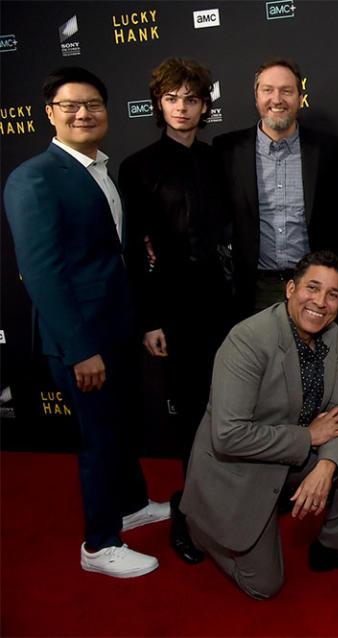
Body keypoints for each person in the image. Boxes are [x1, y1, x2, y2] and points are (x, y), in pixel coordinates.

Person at [3, 67, 169, 578]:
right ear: (50, 113)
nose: (83, 113)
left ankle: (131, 503)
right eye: (71, 105)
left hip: (114, 329)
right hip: (82, 342)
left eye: (93, 104)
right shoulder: (34, 177)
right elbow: (42, 273)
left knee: (120, 427)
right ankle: (98, 544)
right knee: (98, 438)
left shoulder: (100, 168)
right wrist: (80, 349)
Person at [180, 252, 338, 600]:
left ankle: (334, 546)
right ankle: (198, 527)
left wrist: (326, 465)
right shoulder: (247, 340)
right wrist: (309, 436)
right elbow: (228, 436)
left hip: (289, 455)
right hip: (240, 468)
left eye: (333, 295)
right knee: (263, 586)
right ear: (291, 289)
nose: (321, 303)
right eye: (312, 288)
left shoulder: (331, 335)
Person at [118, 57, 231, 565]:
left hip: (224, 303)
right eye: (172, 99)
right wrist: (150, 319)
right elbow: (132, 252)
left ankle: (229, 502)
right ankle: (188, 514)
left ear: (205, 105)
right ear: (158, 103)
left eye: (191, 99)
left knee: (228, 408)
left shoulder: (217, 159)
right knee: (188, 413)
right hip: (175, 307)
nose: (181, 108)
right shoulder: (138, 166)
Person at [214, 58, 338, 315]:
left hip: (313, 287)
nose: (277, 99)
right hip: (253, 289)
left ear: (300, 98)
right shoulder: (227, 151)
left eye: (286, 91)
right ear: (256, 97)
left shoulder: (326, 149)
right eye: (268, 90)